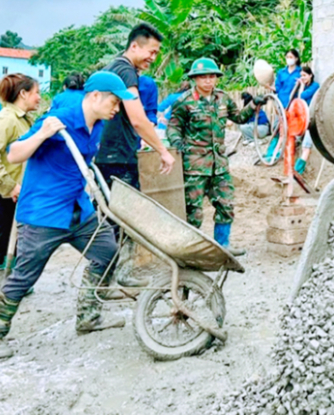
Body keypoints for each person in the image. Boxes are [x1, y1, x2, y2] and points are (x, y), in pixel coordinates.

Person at [0, 71, 138, 359]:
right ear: (95, 96)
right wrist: (42, 133)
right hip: (44, 214)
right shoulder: (59, 120)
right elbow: (14, 154)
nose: (117, 108)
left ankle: (88, 316)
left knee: (107, 251)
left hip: (78, 209)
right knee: (25, 276)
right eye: (115, 102)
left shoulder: (99, 125)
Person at [167, 58, 256, 256]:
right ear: (194, 79)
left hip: (219, 165)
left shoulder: (223, 99)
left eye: (211, 76)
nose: (208, 81)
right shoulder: (184, 102)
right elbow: (173, 127)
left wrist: (253, 106)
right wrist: (178, 144)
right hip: (195, 166)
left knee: (226, 204)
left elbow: (239, 117)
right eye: (203, 77)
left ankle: (222, 247)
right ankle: (191, 251)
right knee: (194, 212)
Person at [0, 75, 39, 308]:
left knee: (16, 240)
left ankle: (13, 287)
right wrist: (9, 185)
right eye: (35, 92)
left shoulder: (23, 119)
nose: (39, 97)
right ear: (23, 94)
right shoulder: (6, 120)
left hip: (12, 192)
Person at [95, 22, 175, 189]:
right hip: (119, 159)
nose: (153, 58)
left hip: (106, 155)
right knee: (124, 212)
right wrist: (163, 151)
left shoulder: (111, 67)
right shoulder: (126, 71)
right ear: (134, 46)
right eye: (151, 52)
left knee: (107, 210)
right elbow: (137, 119)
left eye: (156, 54)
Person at [294, 65, 320, 174]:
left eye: (304, 75)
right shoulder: (304, 86)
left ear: (310, 75)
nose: (303, 78)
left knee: (307, 145)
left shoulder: (315, 86)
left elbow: (302, 96)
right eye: (301, 76)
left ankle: (298, 170)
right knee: (295, 138)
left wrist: (300, 87)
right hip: (304, 118)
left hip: (313, 118)